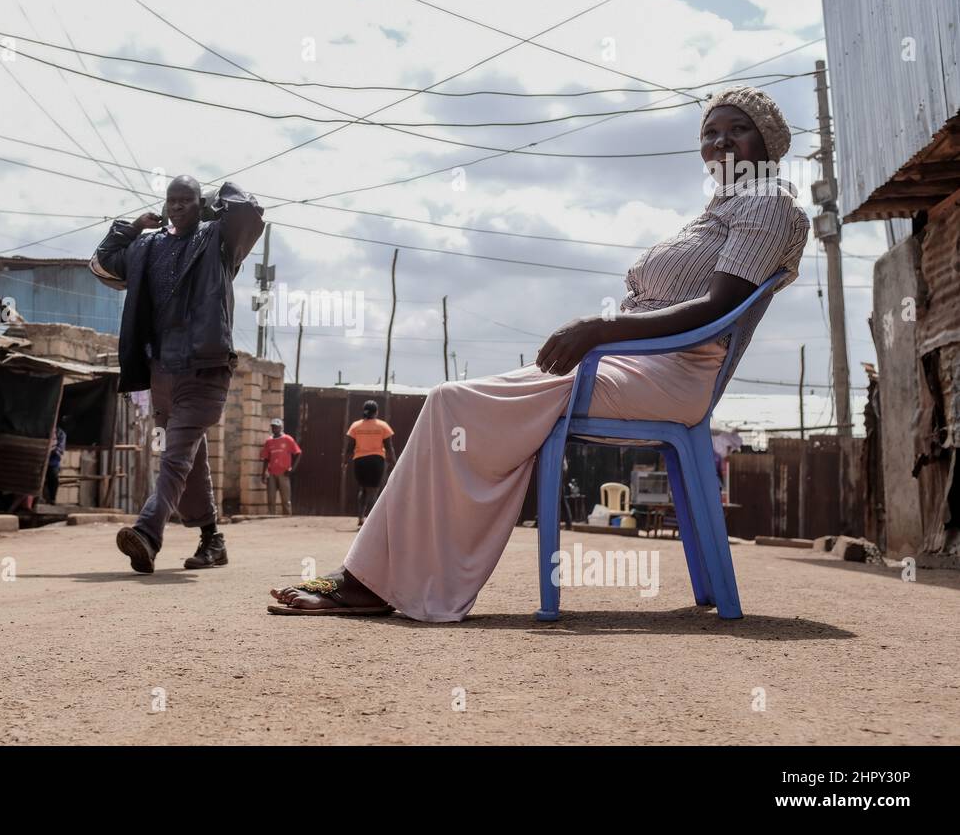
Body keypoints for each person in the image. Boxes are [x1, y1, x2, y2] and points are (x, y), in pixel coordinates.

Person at [269, 85, 810, 619]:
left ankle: (383, 580)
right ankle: (380, 575)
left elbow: (720, 307)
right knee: (448, 402)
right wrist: (604, 336)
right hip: (631, 364)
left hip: (672, 372)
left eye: (738, 130)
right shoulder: (721, 209)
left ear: (768, 142)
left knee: (452, 403)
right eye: (710, 133)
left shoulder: (766, 203)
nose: (721, 143)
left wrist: (601, 327)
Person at [90, 175, 264, 573]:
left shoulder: (218, 241)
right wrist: (133, 226)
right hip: (162, 374)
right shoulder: (147, 246)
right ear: (164, 204)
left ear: (199, 204)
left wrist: (213, 200)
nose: (178, 206)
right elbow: (101, 263)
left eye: (187, 200)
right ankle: (212, 540)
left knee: (174, 457)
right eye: (173, 200)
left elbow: (248, 211)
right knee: (190, 459)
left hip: (205, 370)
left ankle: (148, 534)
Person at [344, 400, 395, 527]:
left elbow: (350, 446)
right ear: (376, 412)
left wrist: (344, 461)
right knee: (373, 491)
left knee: (363, 489)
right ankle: (373, 522)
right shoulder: (383, 426)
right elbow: (389, 447)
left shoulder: (356, 426)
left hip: (360, 461)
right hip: (376, 461)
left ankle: (361, 517)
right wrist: (393, 461)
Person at [260, 418, 301, 515]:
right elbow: (266, 458)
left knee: (286, 499)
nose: (275, 429)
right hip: (271, 473)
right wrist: (263, 473)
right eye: (273, 427)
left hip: (284, 473)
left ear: (281, 428)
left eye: (276, 427)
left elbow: (298, 453)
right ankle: (271, 519)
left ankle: (287, 519)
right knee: (271, 498)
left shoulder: (287, 439)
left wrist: (292, 468)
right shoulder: (269, 441)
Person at [43, 426, 66, 505]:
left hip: (53, 461)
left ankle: (52, 499)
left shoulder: (60, 433)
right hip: (41, 459)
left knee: (53, 477)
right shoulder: (42, 429)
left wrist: (52, 449)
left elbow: (60, 450)